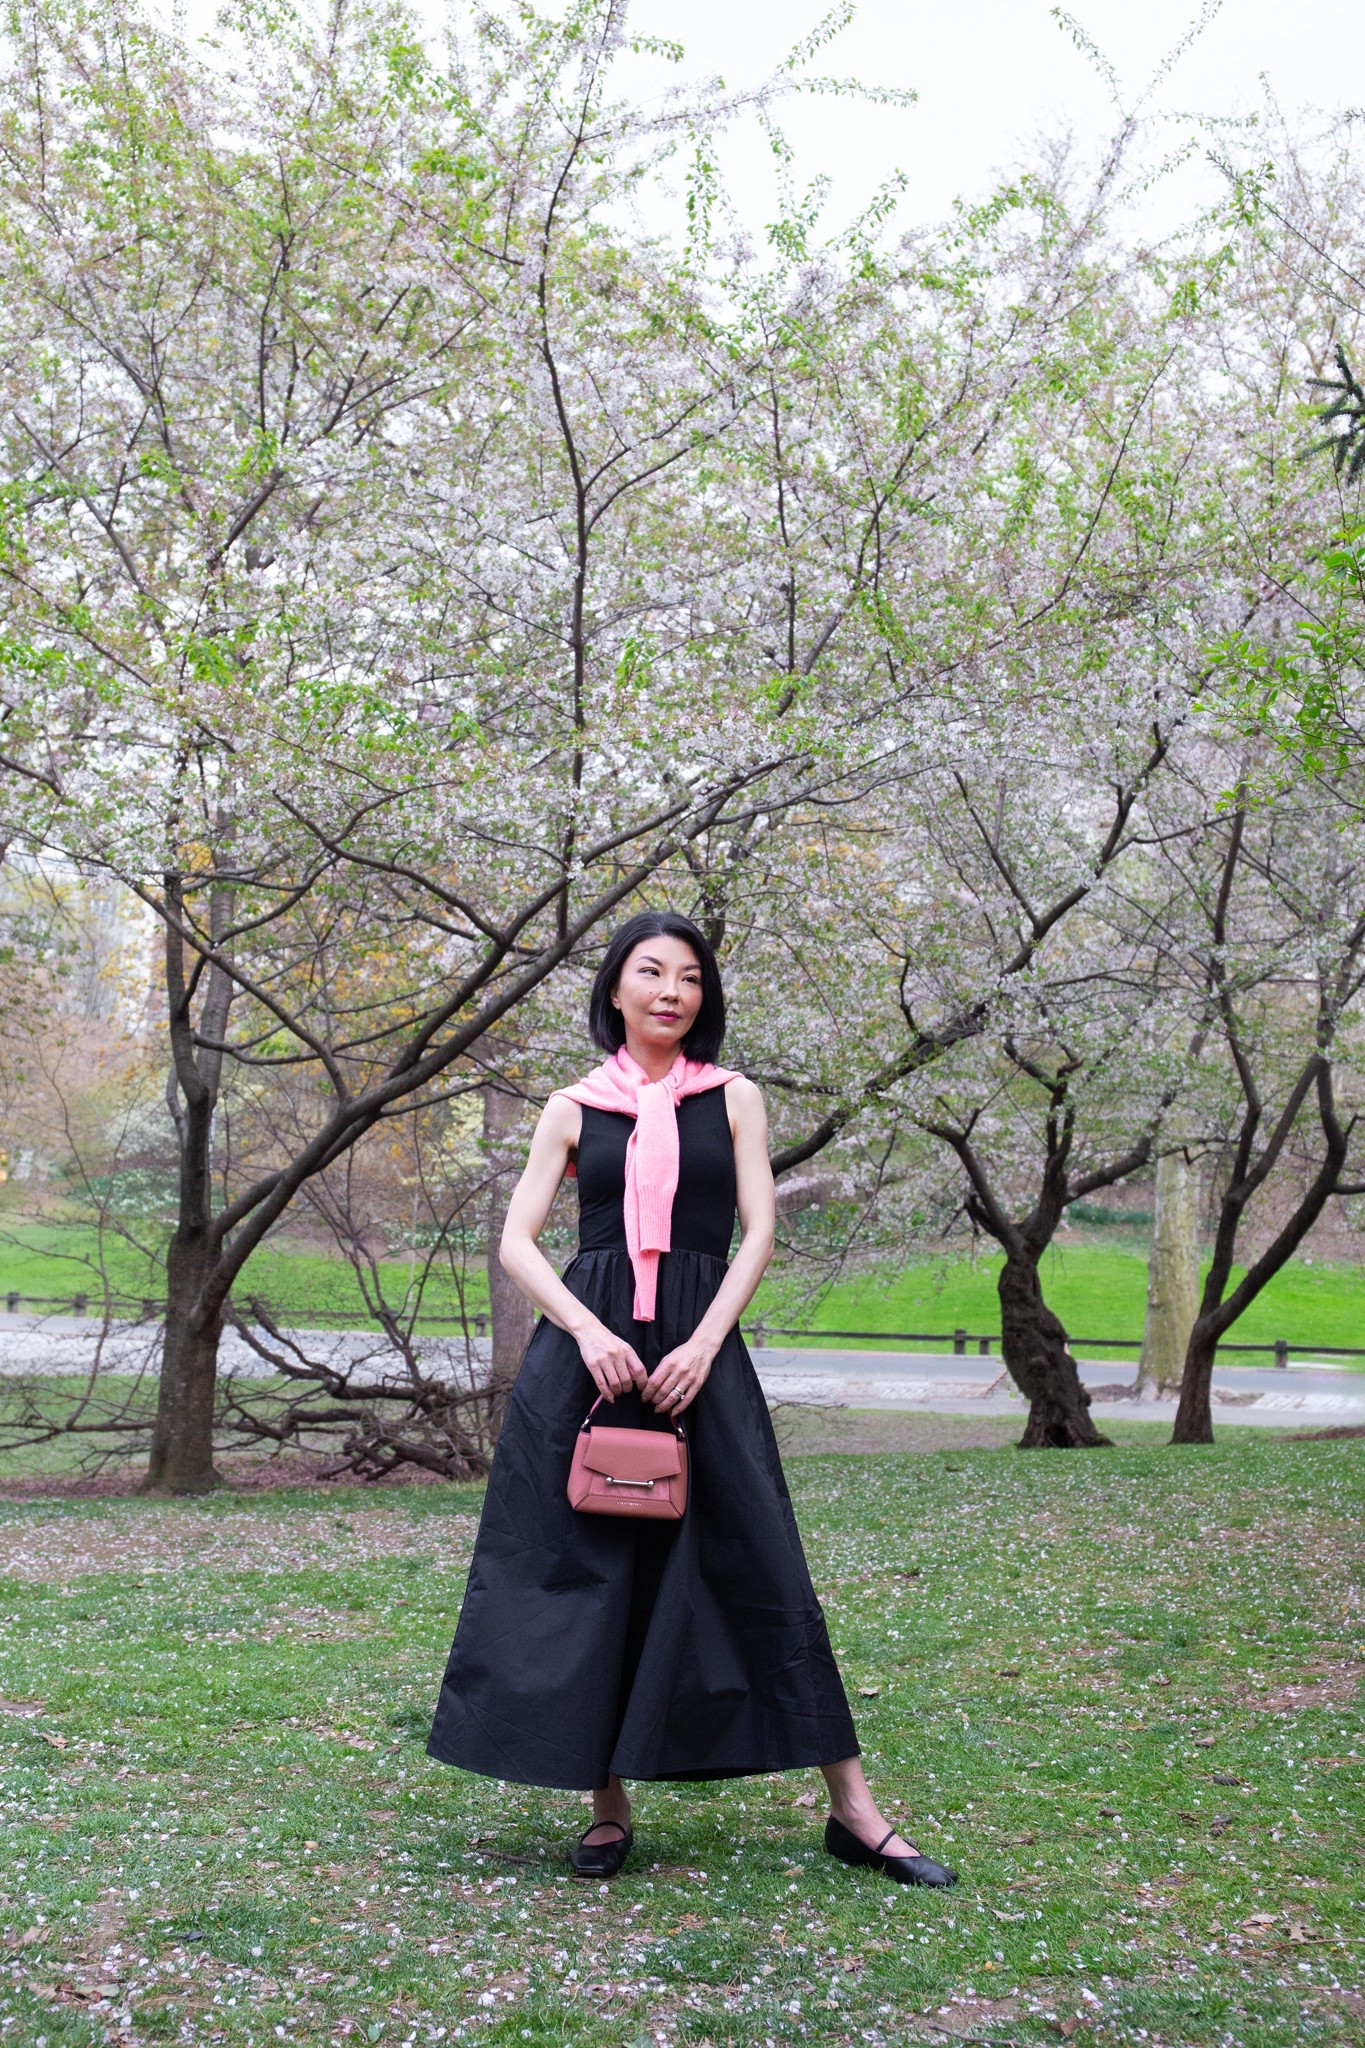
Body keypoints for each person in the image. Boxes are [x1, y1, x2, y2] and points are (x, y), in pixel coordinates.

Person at [427, 910, 957, 1889]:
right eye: (651, 972)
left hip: (701, 1351)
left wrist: (707, 1342)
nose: (672, 989)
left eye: (689, 977)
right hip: (589, 1357)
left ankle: (855, 1809)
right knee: (592, 1568)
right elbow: (515, 1239)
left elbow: (757, 1230)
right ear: (616, 990)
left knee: (765, 1563)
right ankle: (607, 1803)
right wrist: (587, 1332)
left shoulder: (735, 1098)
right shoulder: (573, 1106)